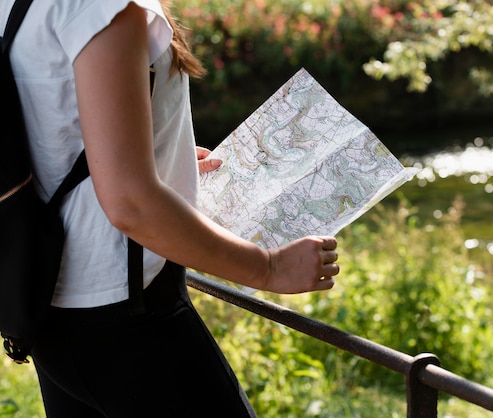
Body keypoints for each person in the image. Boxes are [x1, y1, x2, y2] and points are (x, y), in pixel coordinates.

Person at [1, 0, 340, 416]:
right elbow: (130, 203)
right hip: (125, 315)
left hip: (50, 302)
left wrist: (157, 154)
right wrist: (267, 266)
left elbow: (48, 121)